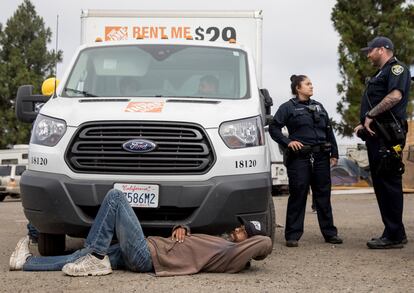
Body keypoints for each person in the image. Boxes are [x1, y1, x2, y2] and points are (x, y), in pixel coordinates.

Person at [9, 189, 272, 276]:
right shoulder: (223, 246)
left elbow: (266, 243)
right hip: (150, 248)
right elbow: (195, 245)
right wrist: (185, 229)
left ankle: (96, 255)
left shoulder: (234, 257)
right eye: (240, 227)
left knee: (115, 198)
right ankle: (27, 263)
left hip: (147, 256)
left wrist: (254, 236)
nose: (237, 229)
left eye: (243, 231)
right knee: (78, 256)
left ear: (249, 243)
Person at [269, 75, 342, 247]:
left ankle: (330, 233)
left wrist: (335, 153)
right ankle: (292, 235)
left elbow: (329, 130)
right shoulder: (287, 107)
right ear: (298, 88)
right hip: (300, 158)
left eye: (311, 84)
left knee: (323, 195)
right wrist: (288, 142)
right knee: (298, 194)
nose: (311, 86)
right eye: (308, 84)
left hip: (321, 157)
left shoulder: (319, 106)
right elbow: (274, 128)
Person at [355, 36, 411, 249]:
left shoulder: (397, 69)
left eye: (370, 51)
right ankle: (394, 231)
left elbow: (395, 97)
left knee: (389, 183)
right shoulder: (380, 73)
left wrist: (370, 115)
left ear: (382, 49)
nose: (368, 55)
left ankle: (394, 235)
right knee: (381, 184)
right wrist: (363, 123)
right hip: (377, 134)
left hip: (387, 135)